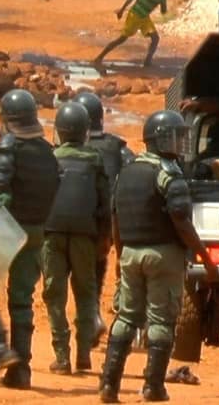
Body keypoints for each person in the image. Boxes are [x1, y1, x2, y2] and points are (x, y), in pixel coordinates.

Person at [98, 110, 219, 403]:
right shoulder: (169, 175)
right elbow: (181, 221)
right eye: (176, 137)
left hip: (130, 253)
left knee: (126, 317)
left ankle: (109, 384)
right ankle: (153, 387)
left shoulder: (126, 172)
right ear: (162, 140)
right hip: (163, 256)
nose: (180, 143)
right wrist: (204, 257)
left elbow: (116, 218)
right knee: (161, 321)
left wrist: (120, 255)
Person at [0, 89, 60, 389]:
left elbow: (1, 190)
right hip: (36, 233)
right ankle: (20, 372)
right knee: (21, 300)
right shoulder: (46, 151)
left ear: (7, 118)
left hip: (9, 230)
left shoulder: (8, 146)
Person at [43, 102, 111, 375]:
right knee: (85, 292)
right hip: (85, 236)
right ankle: (83, 354)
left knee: (54, 293)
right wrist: (105, 238)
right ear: (86, 131)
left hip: (52, 234)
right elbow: (105, 204)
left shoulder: (50, 158)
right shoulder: (95, 159)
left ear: (59, 130)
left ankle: (62, 356)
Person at [73, 91, 134, 342]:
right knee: (99, 267)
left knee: (78, 272)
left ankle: (91, 317)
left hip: (78, 219)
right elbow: (132, 177)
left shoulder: (73, 148)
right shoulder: (118, 148)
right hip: (110, 222)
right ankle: (97, 316)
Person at [94, 0, 168, 68]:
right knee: (122, 39)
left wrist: (122, 10)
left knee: (155, 38)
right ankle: (99, 57)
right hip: (135, 16)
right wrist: (164, 6)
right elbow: (163, 11)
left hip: (143, 17)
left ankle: (147, 61)